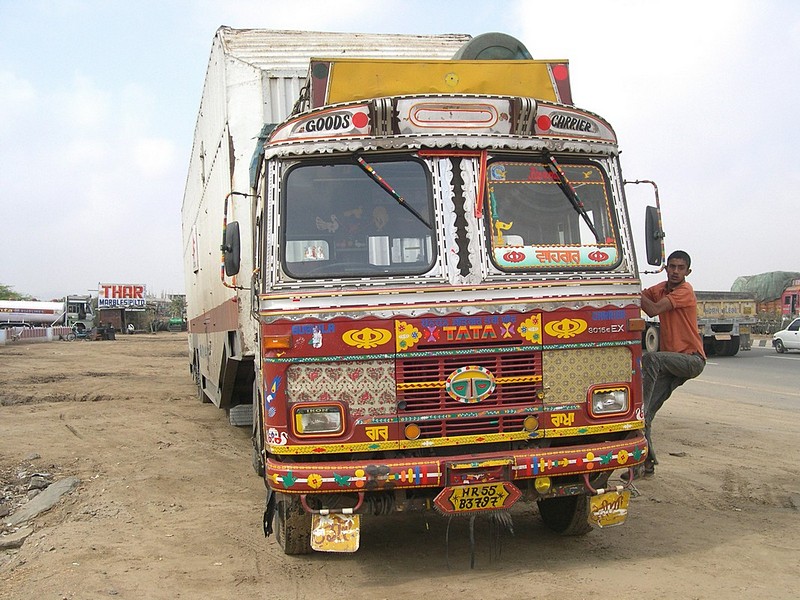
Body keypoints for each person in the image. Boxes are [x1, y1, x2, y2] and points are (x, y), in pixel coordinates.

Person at [639, 250, 706, 476]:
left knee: (651, 358)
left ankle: (641, 407)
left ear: (688, 271)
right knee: (643, 416)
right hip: (671, 363)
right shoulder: (661, 289)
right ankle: (646, 463)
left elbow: (652, 308)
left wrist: (629, 287)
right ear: (666, 268)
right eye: (672, 267)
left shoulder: (685, 291)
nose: (675, 271)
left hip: (691, 360)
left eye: (680, 268)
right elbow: (640, 297)